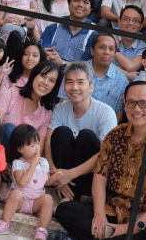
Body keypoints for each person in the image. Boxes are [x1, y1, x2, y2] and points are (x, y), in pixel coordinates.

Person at [53, 81, 146, 240]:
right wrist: (99, 215)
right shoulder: (115, 135)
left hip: (145, 218)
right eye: (131, 103)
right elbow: (100, 177)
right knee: (66, 211)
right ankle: (108, 234)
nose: (136, 109)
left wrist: (133, 227)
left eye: (144, 103)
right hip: (111, 209)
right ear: (125, 105)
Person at [45, 60, 119, 201]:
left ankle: (75, 197)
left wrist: (70, 174)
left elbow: (106, 153)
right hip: (61, 176)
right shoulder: (61, 108)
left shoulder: (105, 112)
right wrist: (55, 173)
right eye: (69, 82)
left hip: (88, 178)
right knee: (61, 132)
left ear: (91, 87)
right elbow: (48, 141)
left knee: (87, 136)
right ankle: (63, 192)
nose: (74, 88)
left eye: (80, 82)